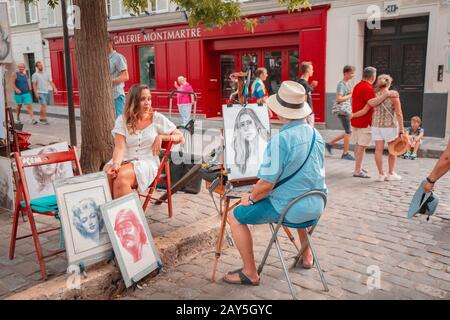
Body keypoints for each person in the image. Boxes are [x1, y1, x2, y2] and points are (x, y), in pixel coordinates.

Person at [223, 81, 327, 286]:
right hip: (317, 205)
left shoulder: (282, 140)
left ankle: (249, 273)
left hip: (292, 209)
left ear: (280, 111)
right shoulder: (316, 134)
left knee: (234, 216)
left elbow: (265, 186)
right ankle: (307, 256)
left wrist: (249, 199)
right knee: (297, 192)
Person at [104, 84, 184, 199]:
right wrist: (116, 164)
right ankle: (113, 212)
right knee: (107, 174)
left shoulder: (156, 118)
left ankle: (126, 215)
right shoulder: (122, 120)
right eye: (142, 99)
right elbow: (119, 148)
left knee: (121, 177)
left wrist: (162, 137)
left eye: (149, 99)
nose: (147, 103)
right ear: (134, 101)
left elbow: (180, 136)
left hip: (146, 162)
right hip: (124, 159)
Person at [352, 74, 405, 181]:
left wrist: (353, 115)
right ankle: (390, 173)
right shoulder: (393, 96)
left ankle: (381, 174)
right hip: (390, 126)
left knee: (378, 150)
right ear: (389, 83)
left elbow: (364, 110)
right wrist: (402, 129)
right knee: (392, 151)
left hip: (376, 126)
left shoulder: (374, 95)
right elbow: (399, 113)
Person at [326, 65, 356, 160]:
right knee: (348, 132)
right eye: (351, 73)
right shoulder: (341, 85)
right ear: (346, 73)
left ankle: (330, 144)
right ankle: (345, 153)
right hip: (343, 111)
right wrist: (350, 95)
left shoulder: (348, 84)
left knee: (348, 132)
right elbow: (339, 99)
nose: (353, 75)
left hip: (346, 110)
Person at [232, 107, 270, 176]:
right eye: (242, 125)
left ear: (256, 124)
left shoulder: (267, 146)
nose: (246, 128)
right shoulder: (243, 153)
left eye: (249, 122)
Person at [108, 36, 129, 118]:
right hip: (107, 96)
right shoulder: (103, 58)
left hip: (117, 96)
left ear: (110, 43)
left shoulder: (118, 57)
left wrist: (108, 82)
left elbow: (125, 76)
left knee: (119, 123)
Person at [297, 61, 318, 127]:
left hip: (307, 113)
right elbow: (304, 100)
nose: (313, 71)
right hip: (307, 113)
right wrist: (306, 115)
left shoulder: (302, 82)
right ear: (308, 70)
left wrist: (311, 86)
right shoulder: (304, 83)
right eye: (312, 69)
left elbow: (307, 94)